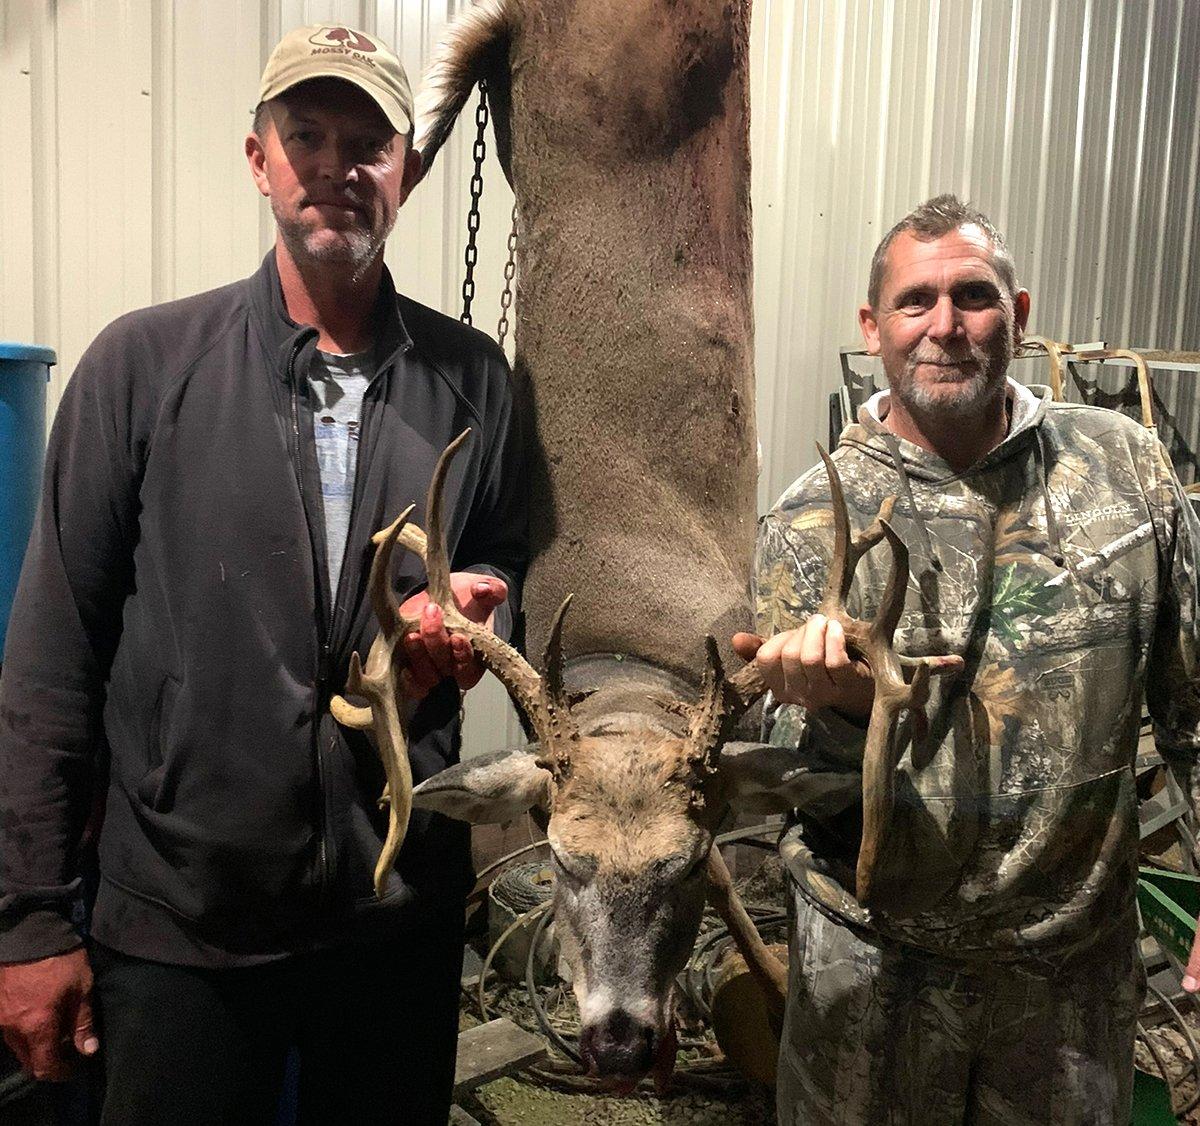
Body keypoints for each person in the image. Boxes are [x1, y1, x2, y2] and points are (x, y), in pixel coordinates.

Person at [0, 23, 526, 1125]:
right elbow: (52, 660)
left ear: (408, 172)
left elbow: (504, 553)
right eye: (306, 136)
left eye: (368, 142)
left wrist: (478, 601)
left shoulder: (474, 381)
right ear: (259, 160)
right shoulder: (143, 367)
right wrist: (32, 923)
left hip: (394, 925)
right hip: (182, 930)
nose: (337, 166)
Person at [733, 194, 1200, 1125]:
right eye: (915, 302)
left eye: (974, 296)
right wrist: (835, 706)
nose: (945, 326)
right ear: (873, 328)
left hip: (1067, 985)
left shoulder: (1124, 468)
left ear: (1018, 318)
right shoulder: (807, 522)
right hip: (872, 975)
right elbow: (781, 767)